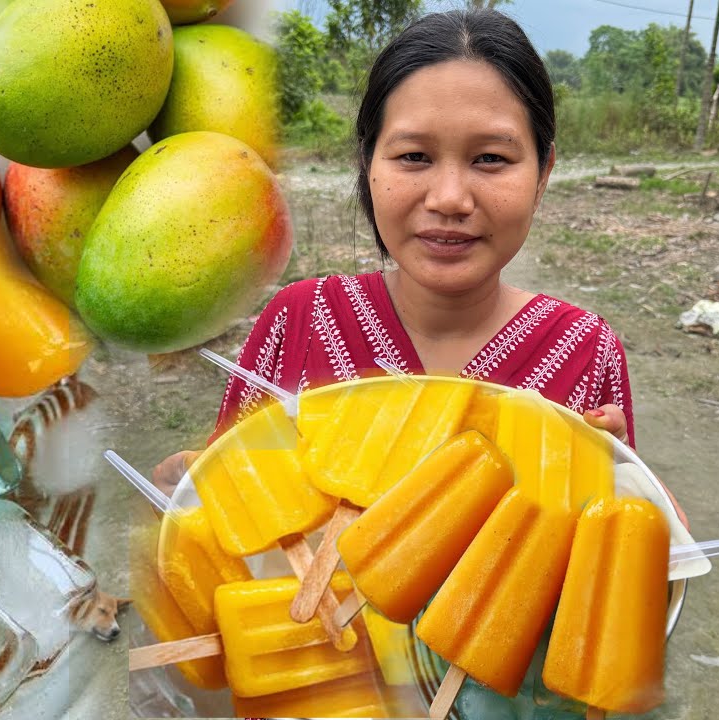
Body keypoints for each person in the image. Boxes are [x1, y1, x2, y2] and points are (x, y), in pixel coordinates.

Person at [152, 8, 688, 525]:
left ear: (543, 172)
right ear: (367, 163)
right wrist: (192, 498)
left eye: (491, 158)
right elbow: (228, 506)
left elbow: (628, 541)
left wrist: (626, 502)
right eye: (414, 156)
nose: (449, 198)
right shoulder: (300, 323)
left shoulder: (585, 351)